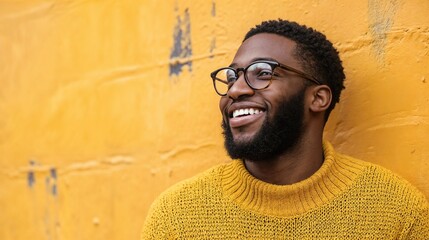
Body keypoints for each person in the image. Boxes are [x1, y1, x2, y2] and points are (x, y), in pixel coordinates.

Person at [141, 19, 428, 239]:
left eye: (263, 73)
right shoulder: (177, 217)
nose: (236, 90)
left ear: (317, 98)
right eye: (232, 77)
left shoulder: (394, 212)